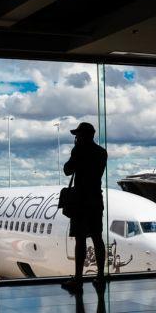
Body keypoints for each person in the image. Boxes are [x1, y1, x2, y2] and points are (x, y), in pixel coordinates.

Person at [61, 122, 107, 294]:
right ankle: (101, 276)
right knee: (97, 238)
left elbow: (67, 170)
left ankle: (78, 279)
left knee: (80, 240)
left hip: (80, 201)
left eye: (78, 135)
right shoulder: (102, 152)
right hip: (95, 199)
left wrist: (75, 150)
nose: (76, 138)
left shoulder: (79, 151)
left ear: (83, 136)